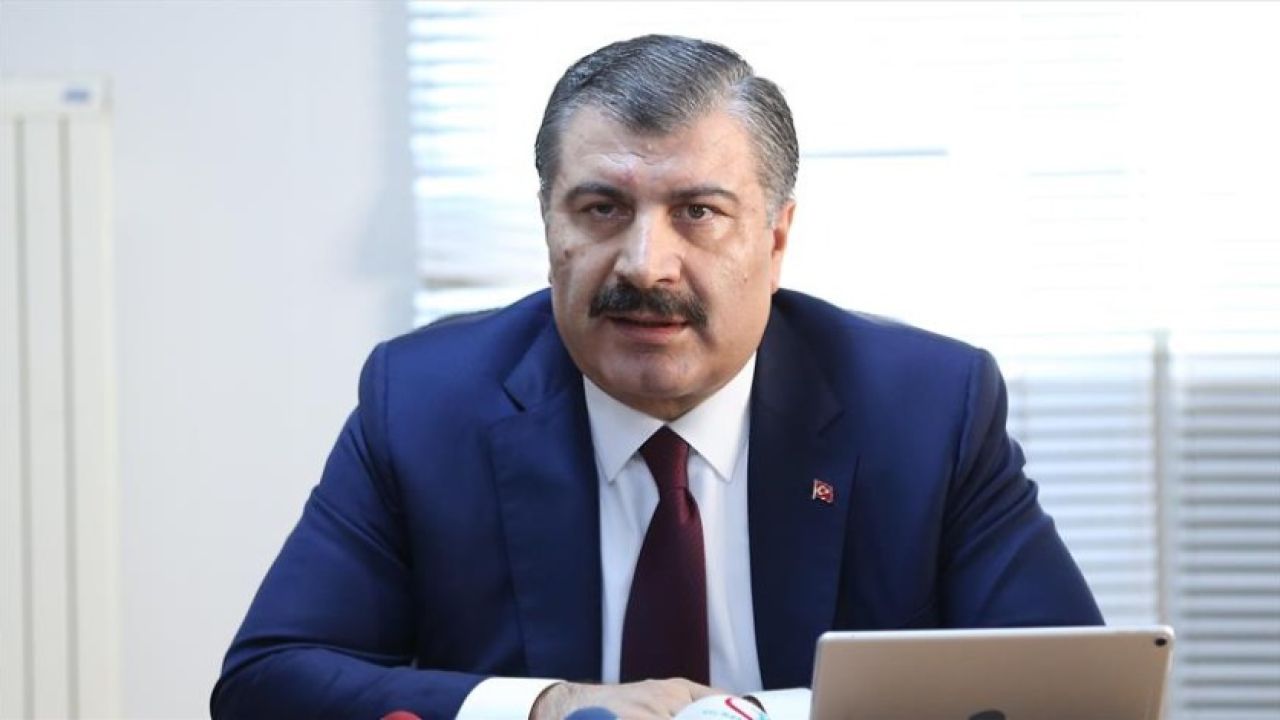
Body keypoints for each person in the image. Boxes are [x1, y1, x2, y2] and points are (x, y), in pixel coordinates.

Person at [211, 34, 1102, 719]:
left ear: (776, 239)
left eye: (698, 213)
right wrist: (549, 708)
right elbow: (268, 683)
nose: (645, 264)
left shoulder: (926, 409)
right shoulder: (424, 403)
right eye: (602, 208)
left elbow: (1073, 691)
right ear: (549, 224)